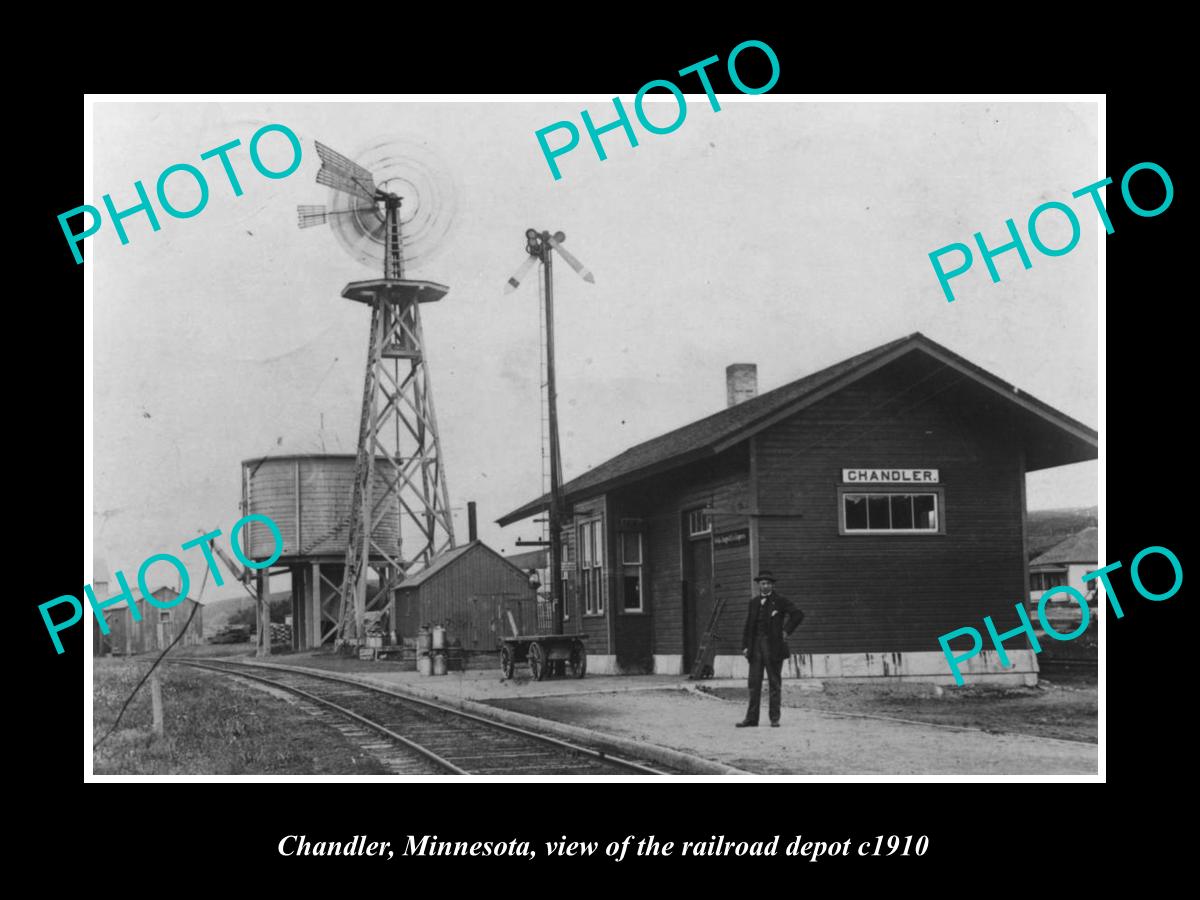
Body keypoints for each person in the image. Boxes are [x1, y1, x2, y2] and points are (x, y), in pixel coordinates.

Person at [736, 571, 804, 728]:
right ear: (758, 585)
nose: (765, 585)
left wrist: (786, 631)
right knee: (754, 684)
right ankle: (751, 719)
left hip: (773, 647)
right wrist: (745, 646)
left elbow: (798, 614)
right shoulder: (753, 603)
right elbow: (748, 626)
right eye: (762, 583)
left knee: (774, 683)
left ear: (772, 585)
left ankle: (774, 718)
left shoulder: (779, 601)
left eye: (768, 583)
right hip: (755, 648)